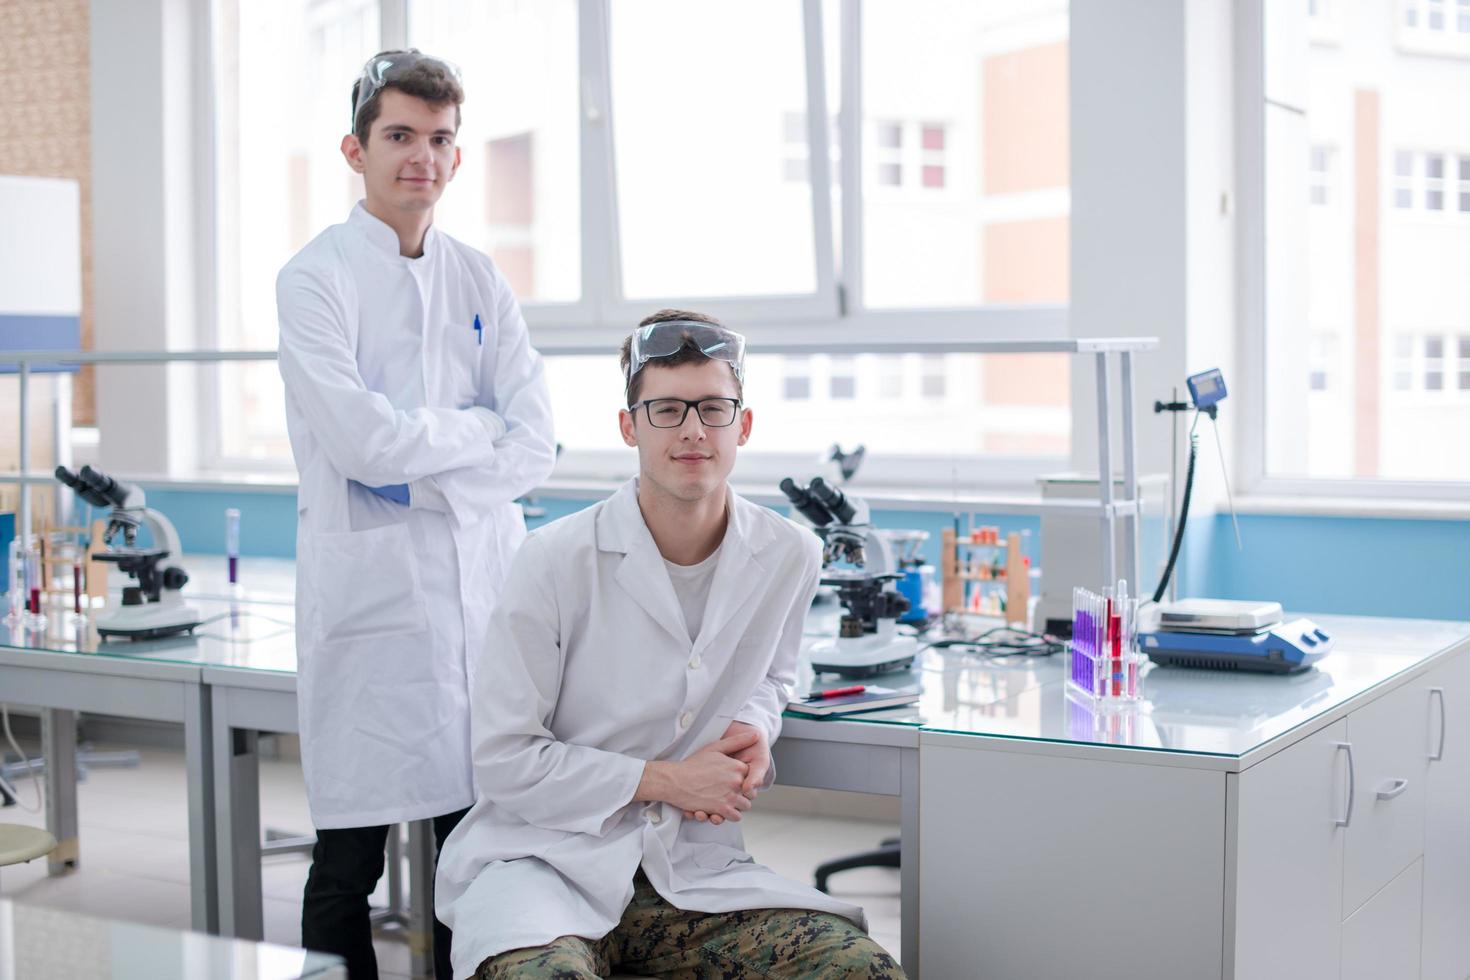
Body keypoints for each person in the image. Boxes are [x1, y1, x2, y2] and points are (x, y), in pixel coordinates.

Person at [435, 310, 905, 979]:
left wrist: (755, 724)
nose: (692, 430)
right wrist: (670, 781)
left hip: (691, 873)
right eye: (665, 410)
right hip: (544, 865)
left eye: (713, 408)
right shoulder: (553, 559)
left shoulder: (790, 553)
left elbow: (774, 675)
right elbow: (505, 760)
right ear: (629, 426)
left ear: (743, 425)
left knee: (861, 971)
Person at [275, 48, 556, 980]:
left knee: (469, 859)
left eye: (439, 139)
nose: (421, 157)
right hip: (369, 612)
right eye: (399, 136)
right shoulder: (314, 279)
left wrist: (430, 469)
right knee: (345, 864)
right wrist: (473, 437)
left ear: (457, 157)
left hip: (480, 605)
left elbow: (536, 443)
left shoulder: (481, 280)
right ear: (356, 150)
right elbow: (361, 444)